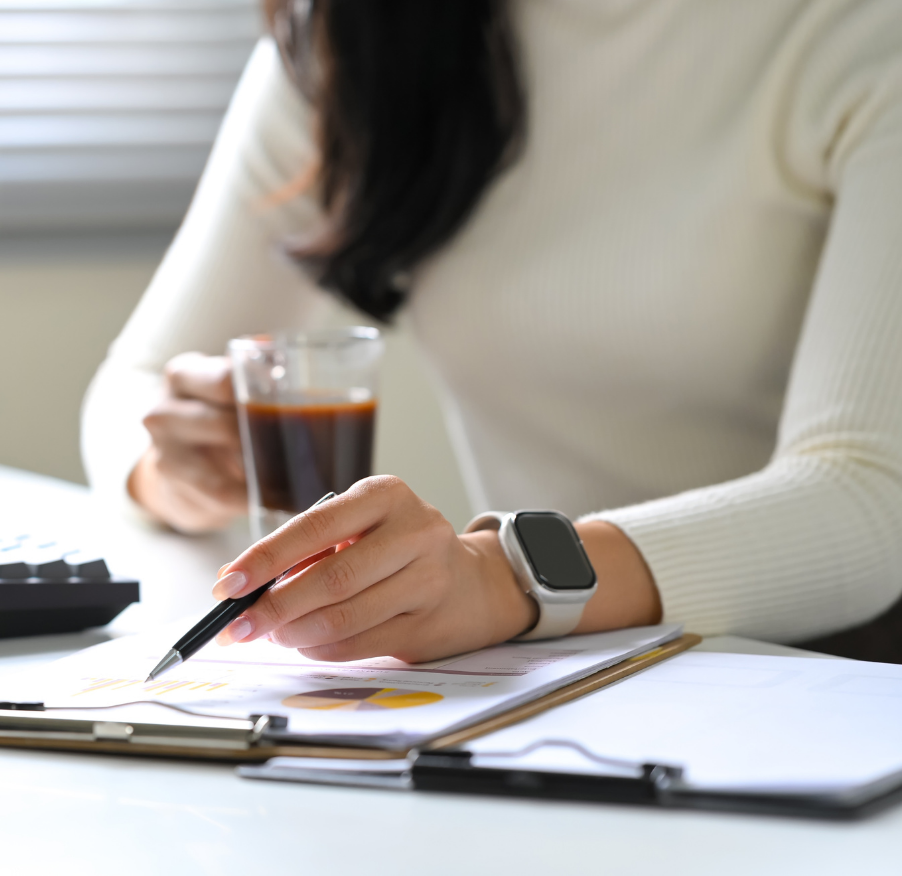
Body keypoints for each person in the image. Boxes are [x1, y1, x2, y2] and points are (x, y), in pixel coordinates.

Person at [80, 0, 902, 663]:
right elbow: (138, 381)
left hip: (840, 680)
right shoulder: (359, 33)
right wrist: (174, 466)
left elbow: (870, 494)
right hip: (551, 676)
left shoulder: (857, 32)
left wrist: (505, 578)